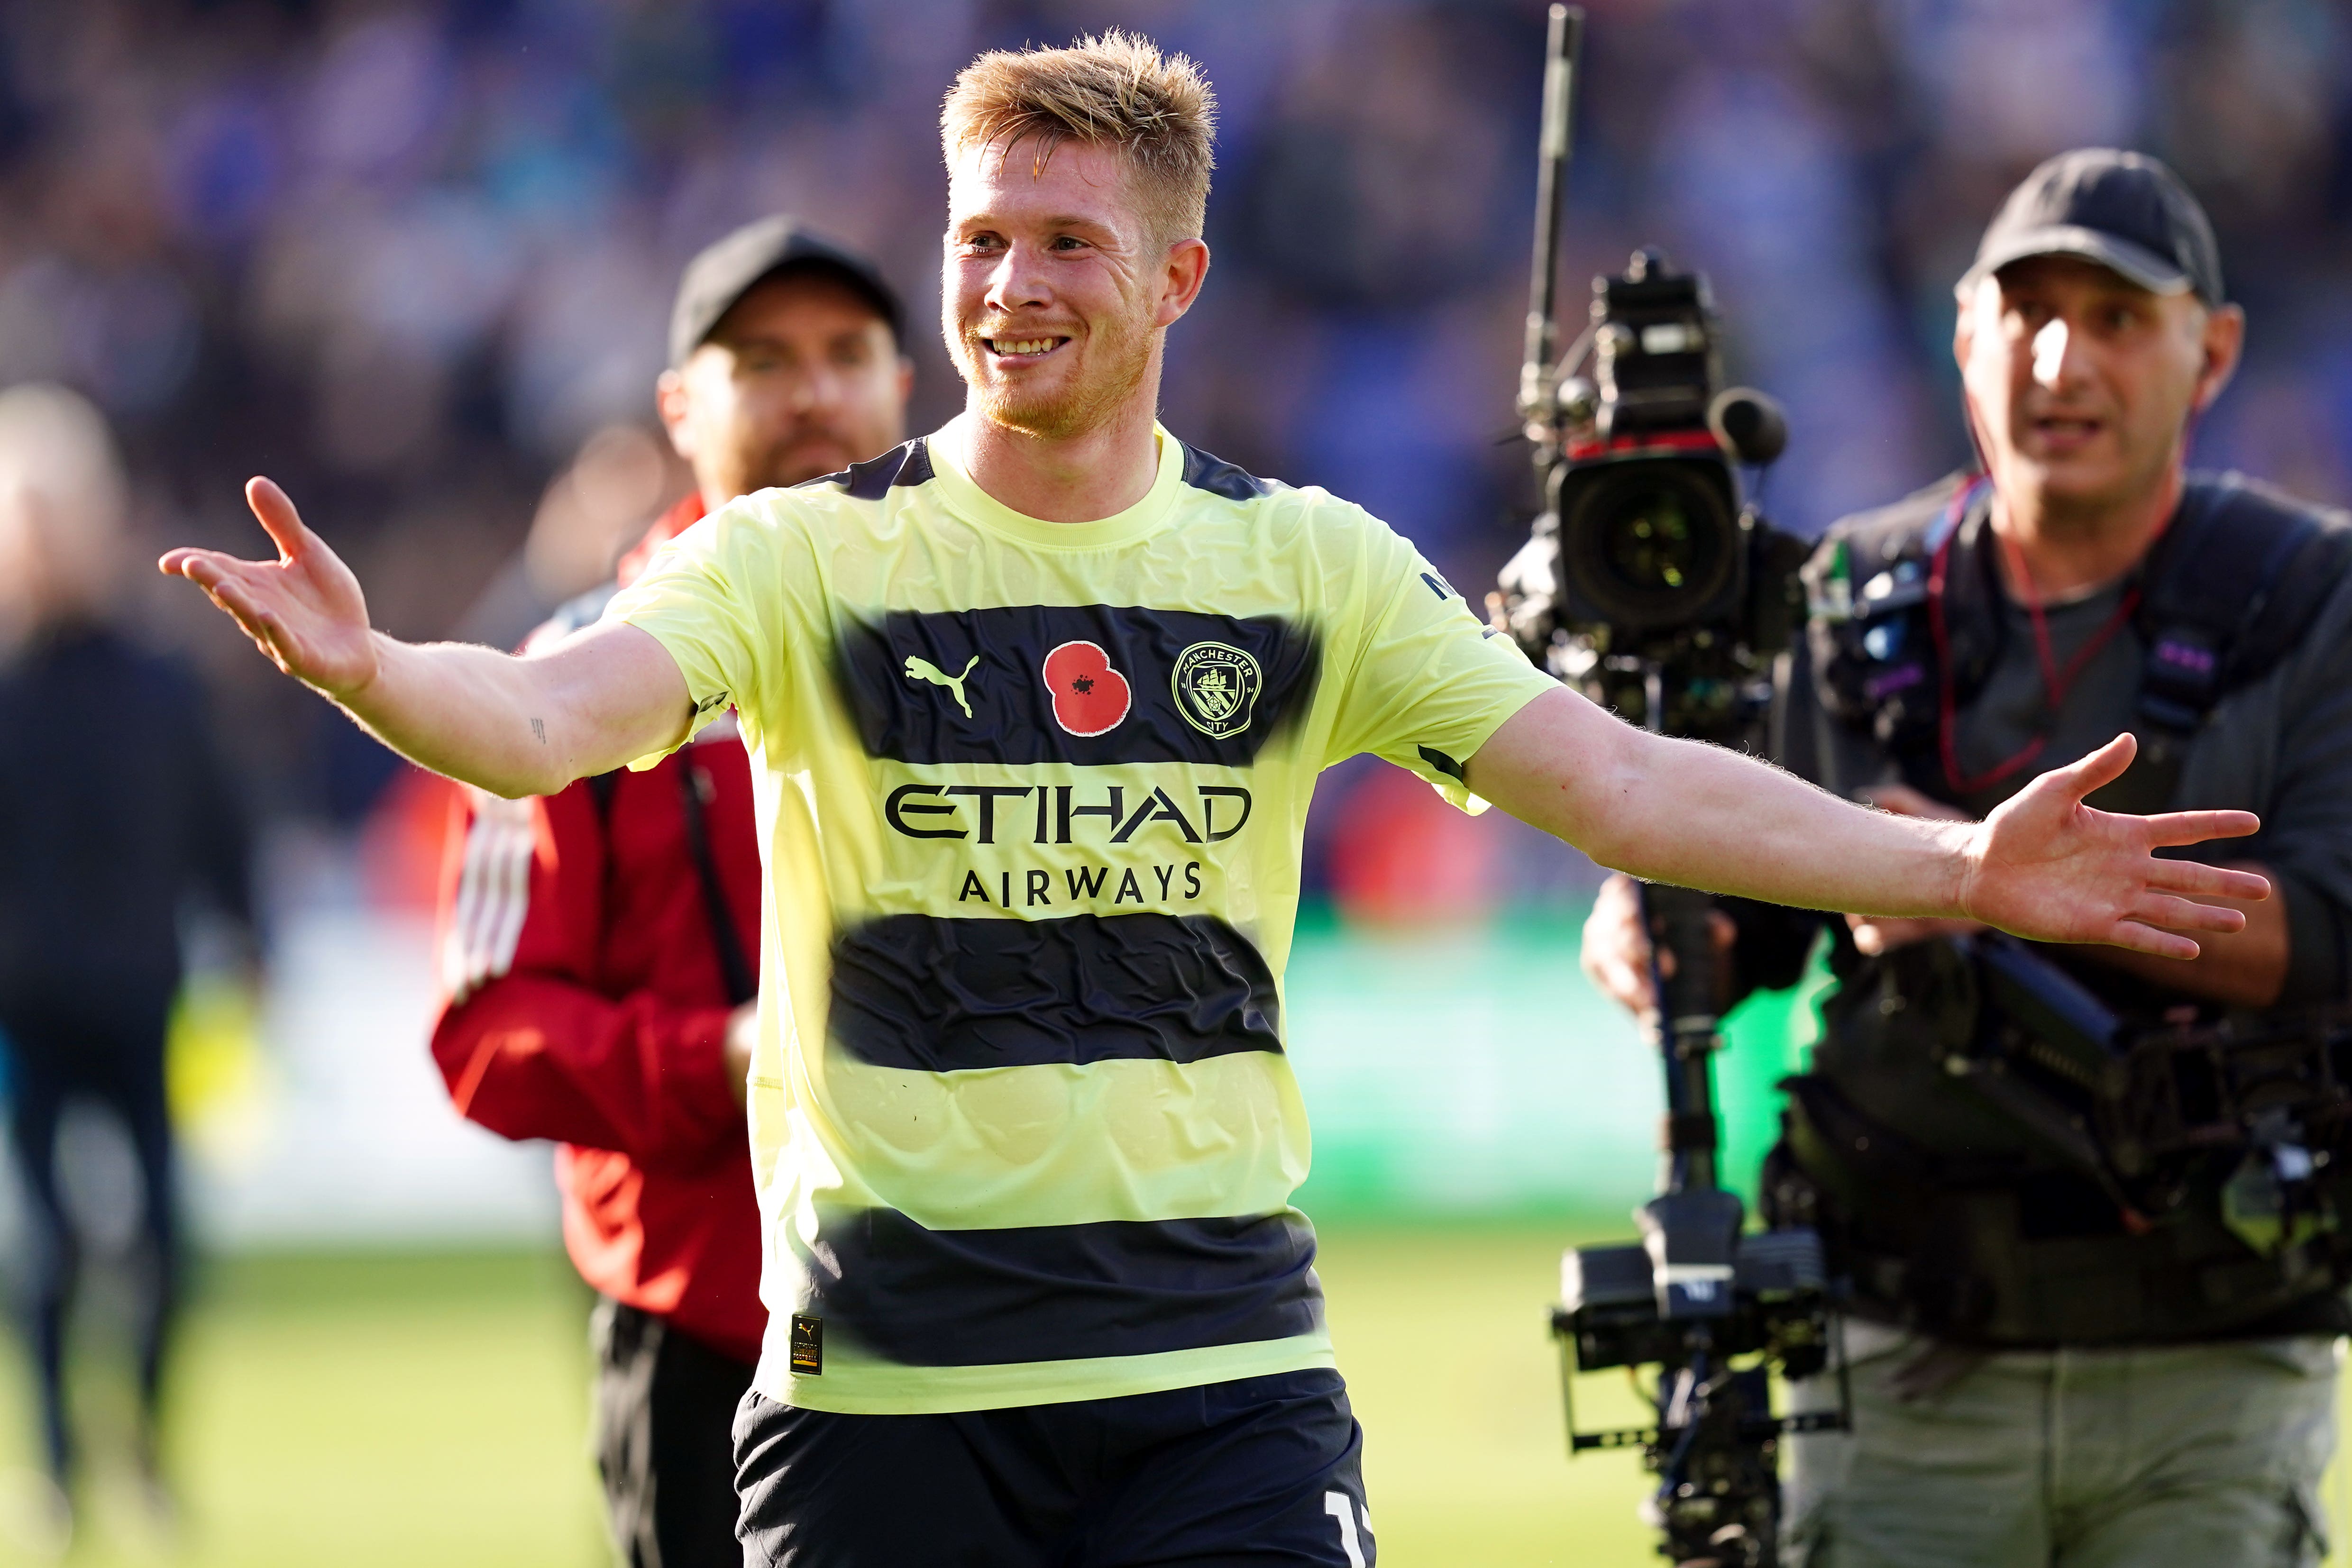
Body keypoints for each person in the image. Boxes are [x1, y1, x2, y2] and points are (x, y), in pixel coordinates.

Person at [163, 38, 2268, 1563]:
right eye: (979, 239)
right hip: (889, 1400)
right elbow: (544, 722)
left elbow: (1615, 778)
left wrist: (1956, 866)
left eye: (1063, 242)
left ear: (1172, 281)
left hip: (1218, 1387)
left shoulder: (1306, 565)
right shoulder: (805, 555)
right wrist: (380, 673)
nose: (1005, 289)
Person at [1581, 149, 2352, 1567]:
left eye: (2118, 317)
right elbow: (1736, 937)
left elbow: (2322, 929)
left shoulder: (2313, 593)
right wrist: (1651, 920)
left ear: (2215, 349)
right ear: (1962, 334)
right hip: (1900, 1355)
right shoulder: (1835, 599)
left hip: (2215, 1362)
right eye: (2027, 313)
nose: (2063, 360)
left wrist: (1949, 871)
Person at [430, 218, 911, 1568]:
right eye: (761, 360)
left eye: (845, 354)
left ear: (902, 387)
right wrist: (725, 1057)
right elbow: (485, 1035)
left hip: (989, 1318)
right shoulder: (573, 677)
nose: (813, 391)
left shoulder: (995, 635)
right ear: (678, 408)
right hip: (711, 1328)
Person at [0, 384, 255, 1551]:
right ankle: (57, 1464)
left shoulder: (163, 681)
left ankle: (144, 1449)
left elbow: (221, 825)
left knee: (167, 1243)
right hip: (24, 1013)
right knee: (43, 1252)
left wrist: (251, 939)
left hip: (145, 1001)